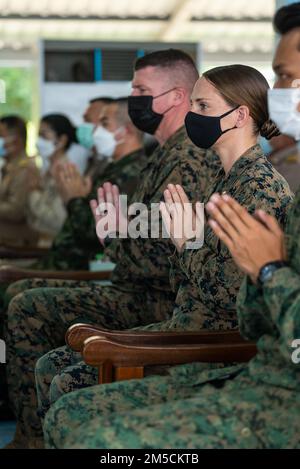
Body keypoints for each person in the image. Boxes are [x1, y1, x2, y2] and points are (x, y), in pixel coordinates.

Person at [44, 3, 300, 450]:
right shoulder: (226, 178)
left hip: (212, 341)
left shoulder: (257, 186)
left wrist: (185, 245)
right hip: (191, 325)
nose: (192, 116)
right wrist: (134, 236)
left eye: (202, 105)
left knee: (72, 396)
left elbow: (234, 298)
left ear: (239, 116)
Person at [4, 48, 215, 448]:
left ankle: (32, 439)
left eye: (140, 88)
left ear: (175, 97)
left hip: (160, 300)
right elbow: (145, 234)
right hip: (135, 287)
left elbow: (165, 256)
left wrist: (113, 236)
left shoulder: (187, 158)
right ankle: (32, 435)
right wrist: (116, 231)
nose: (132, 96)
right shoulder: (164, 153)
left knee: (27, 305)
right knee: (24, 298)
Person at [27, 114, 77, 242]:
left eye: (44, 135)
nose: (39, 141)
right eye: (38, 135)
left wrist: (34, 191)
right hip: (42, 242)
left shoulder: (65, 173)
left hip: (54, 245)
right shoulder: (49, 170)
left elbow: (57, 221)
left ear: (61, 140)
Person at [0, 115, 41, 246]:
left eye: (1, 136)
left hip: (17, 241)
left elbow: (16, 211)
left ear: (17, 140)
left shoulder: (25, 169)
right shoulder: (10, 166)